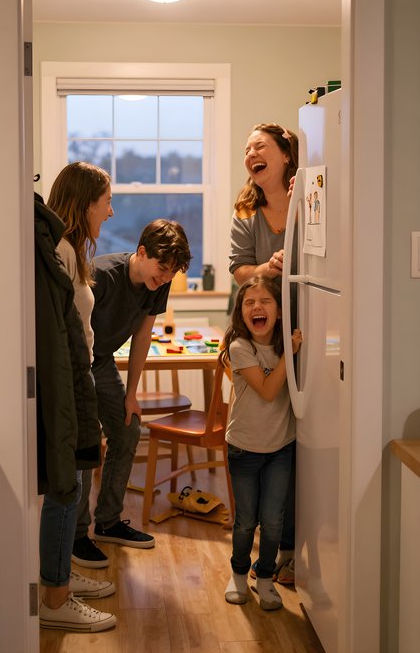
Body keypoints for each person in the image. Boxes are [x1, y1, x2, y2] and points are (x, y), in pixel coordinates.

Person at [72, 218, 192, 567]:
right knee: (86, 442)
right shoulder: (102, 274)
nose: (166, 277)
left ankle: (108, 522)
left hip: (102, 360)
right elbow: (73, 329)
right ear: (141, 252)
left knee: (127, 430)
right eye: (162, 268)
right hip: (77, 361)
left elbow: (143, 336)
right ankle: (77, 535)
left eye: (172, 272)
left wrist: (132, 394)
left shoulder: (159, 284)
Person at [37, 161, 116, 632]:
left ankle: (61, 575)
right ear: (86, 203)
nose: (110, 211)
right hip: (67, 380)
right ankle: (54, 596)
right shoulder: (62, 251)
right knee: (67, 488)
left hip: (76, 377)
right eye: (106, 201)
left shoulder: (71, 251)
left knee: (80, 481)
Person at [229, 121, 298, 586]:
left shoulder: (306, 197)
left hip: (303, 330)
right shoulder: (246, 212)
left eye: (260, 146)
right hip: (263, 331)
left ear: (285, 154)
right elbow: (239, 272)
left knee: (295, 445)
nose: (251, 154)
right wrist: (267, 268)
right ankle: (265, 556)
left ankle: (289, 551)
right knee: (270, 424)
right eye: (247, 149)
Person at [220, 276, 303, 610]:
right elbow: (269, 392)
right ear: (241, 313)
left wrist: (291, 350)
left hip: (280, 448)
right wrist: (290, 354)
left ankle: (265, 578)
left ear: (279, 311)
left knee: (273, 521)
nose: (257, 307)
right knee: (245, 522)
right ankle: (239, 575)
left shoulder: (286, 346)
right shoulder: (241, 348)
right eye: (249, 302)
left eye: (266, 301)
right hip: (244, 448)